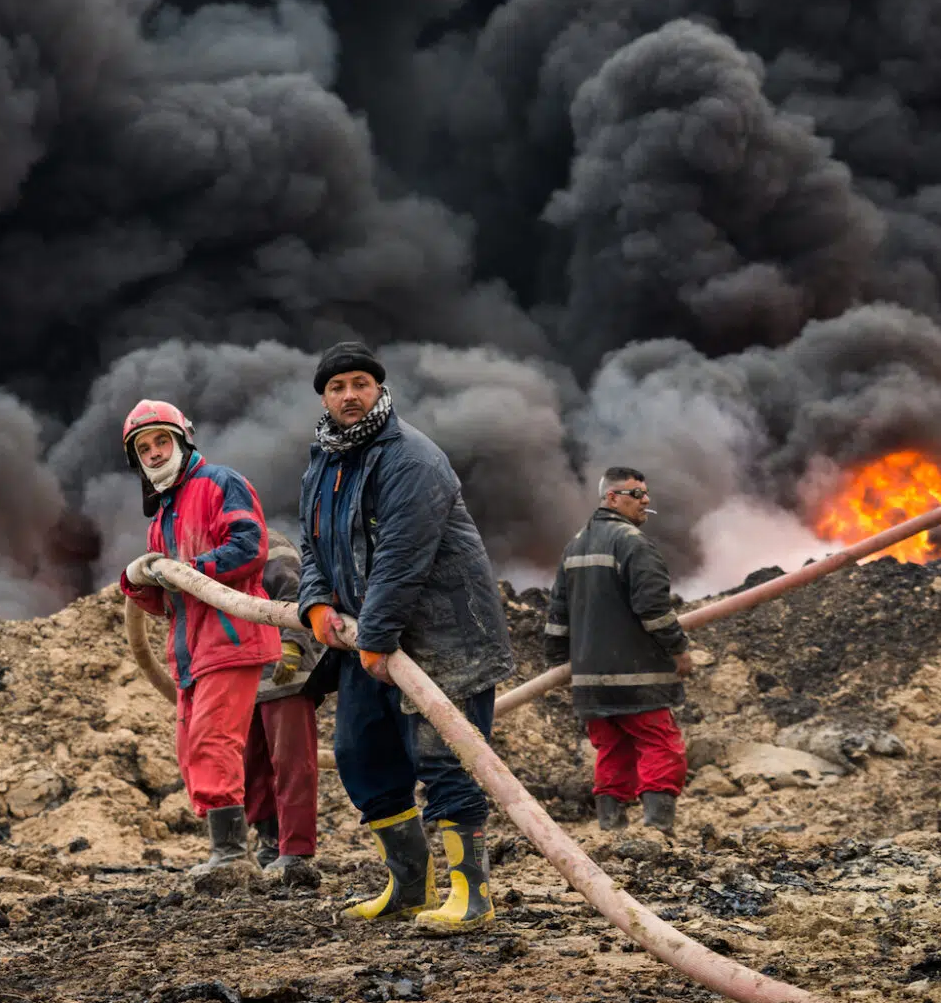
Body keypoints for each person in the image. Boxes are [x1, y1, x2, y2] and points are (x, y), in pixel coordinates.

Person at [297, 342, 515, 934]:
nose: (350, 395)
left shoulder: (411, 459)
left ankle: (472, 894)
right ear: (324, 396)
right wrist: (315, 601)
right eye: (338, 385)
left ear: (378, 389)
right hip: (367, 638)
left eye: (360, 383)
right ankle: (409, 886)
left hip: (443, 639)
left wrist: (377, 634)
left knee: (446, 759)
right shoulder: (324, 459)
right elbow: (312, 543)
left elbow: (400, 558)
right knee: (362, 753)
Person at [117, 399, 282, 882]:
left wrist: (187, 571)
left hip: (230, 639)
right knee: (192, 747)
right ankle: (235, 848)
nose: (152, 453)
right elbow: (167, 601)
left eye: (160, 441)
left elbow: (250, 547)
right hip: (190, 652)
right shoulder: (161, 516)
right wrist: (138, 583)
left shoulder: (219, 484)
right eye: (143, 447)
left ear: (183, 438)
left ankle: (231, 856)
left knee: (214, 742)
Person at [542, 467, 693, 835]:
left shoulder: (575, 546)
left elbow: (556, 616)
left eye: (646, 493)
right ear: (612, 497)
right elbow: (654, 608)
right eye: (636, 493)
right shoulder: (634, 544)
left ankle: (612, 832)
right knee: (661, 746)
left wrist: (559, 663)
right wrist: (679, 649)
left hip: (592, 682)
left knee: (612, 752)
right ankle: (658, 833)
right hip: (638, 678)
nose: (646, 500)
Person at [245, 528, 334, 884]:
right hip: (242, 675)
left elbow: (298, 595)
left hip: (286, 673)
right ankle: (269, 842)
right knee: (251, 764)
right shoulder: (210, 554)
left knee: (292, 762)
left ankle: (295, 851)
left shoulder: (269, 545)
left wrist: (294, 643)